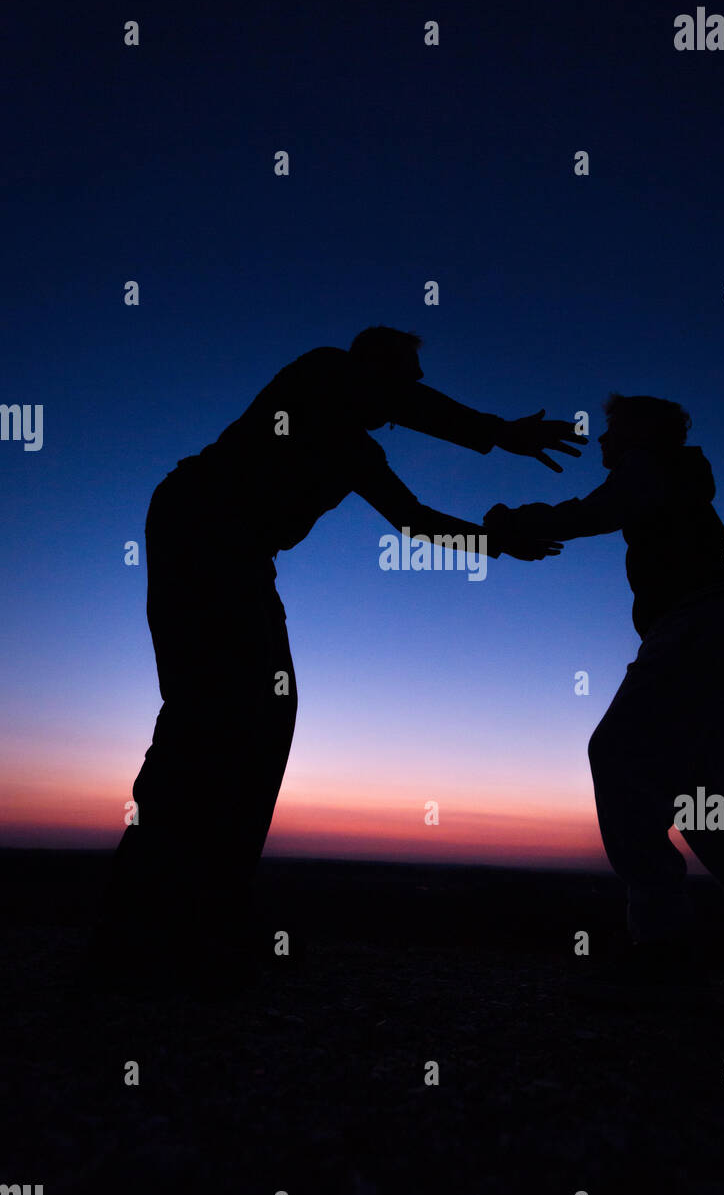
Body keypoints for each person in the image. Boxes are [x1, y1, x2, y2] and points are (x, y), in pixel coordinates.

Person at [90, 327, 575, 991]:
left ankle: (211, 909)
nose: (409, 393)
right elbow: (410, 408)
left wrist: (496, 542)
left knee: (267, 711)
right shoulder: (318, 372)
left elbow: (414, 521)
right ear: (369, 367)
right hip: (196, 523)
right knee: (209, 712)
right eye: (404, 378)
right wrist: (498, 432)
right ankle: (142, 922)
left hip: (243, 556)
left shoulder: (356, 449)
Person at [486, 393, 724, 975]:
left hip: (693, 624)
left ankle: (662, 944)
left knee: (621, 755)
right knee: (707, 796)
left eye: (612, 430)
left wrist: (514, 521)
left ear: (643, 436)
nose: (602, 440)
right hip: (717, 624)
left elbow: (597, 511)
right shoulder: (685, 488)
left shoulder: (648, 469)